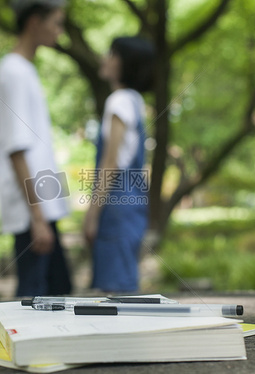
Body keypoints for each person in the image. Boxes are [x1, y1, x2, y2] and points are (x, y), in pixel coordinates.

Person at [0, 0, 72, 297]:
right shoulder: (12, 71)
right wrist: (37, 217)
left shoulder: (25, 70)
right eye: (56, 23)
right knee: (34, 299)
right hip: (33, 210)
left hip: (43, 205)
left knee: (60, 290)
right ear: (33, 22)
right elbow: (16, 148)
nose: (59, 32)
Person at [83, 36, 155, 293]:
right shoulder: (135, 101)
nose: (105, 58)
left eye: (111, 54)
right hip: (133, 202)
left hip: (116, 205)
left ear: (126, 64)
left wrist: (91, 215)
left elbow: (110, 162)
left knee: (115, 294)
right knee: (125, 286)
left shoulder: (119, 101)